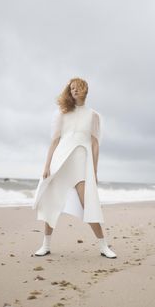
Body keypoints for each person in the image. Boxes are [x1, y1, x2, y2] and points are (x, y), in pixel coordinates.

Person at [32, 77, 117, 259]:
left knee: (89, 203)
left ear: (85, 89)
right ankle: (45, 245)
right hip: (60, 162)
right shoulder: (62, 113)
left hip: (80, 163)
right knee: (51, 202)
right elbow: (54, 141)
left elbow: (94, 144)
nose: (74, 91)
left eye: (77, 88)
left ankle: (104, 246)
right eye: (71, 89)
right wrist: (46, 166)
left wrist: (94, 170)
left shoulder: (93, 115)